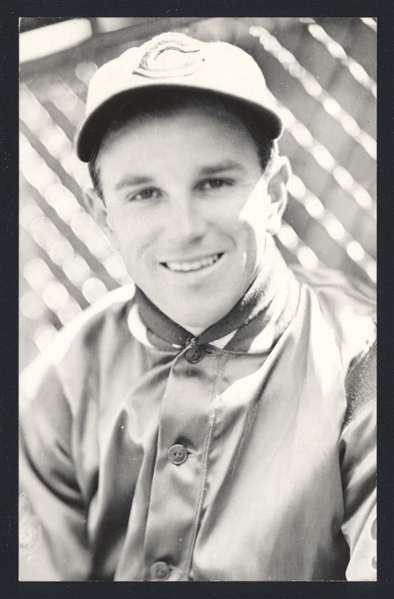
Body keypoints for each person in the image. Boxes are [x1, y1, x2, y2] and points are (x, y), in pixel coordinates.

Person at [19, 30, 376, 581]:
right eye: (144, 194)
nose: (184, 229)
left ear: (275, 191)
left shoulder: (360, 362)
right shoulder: (65, 379)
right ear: (103, 214)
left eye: (214, 182)